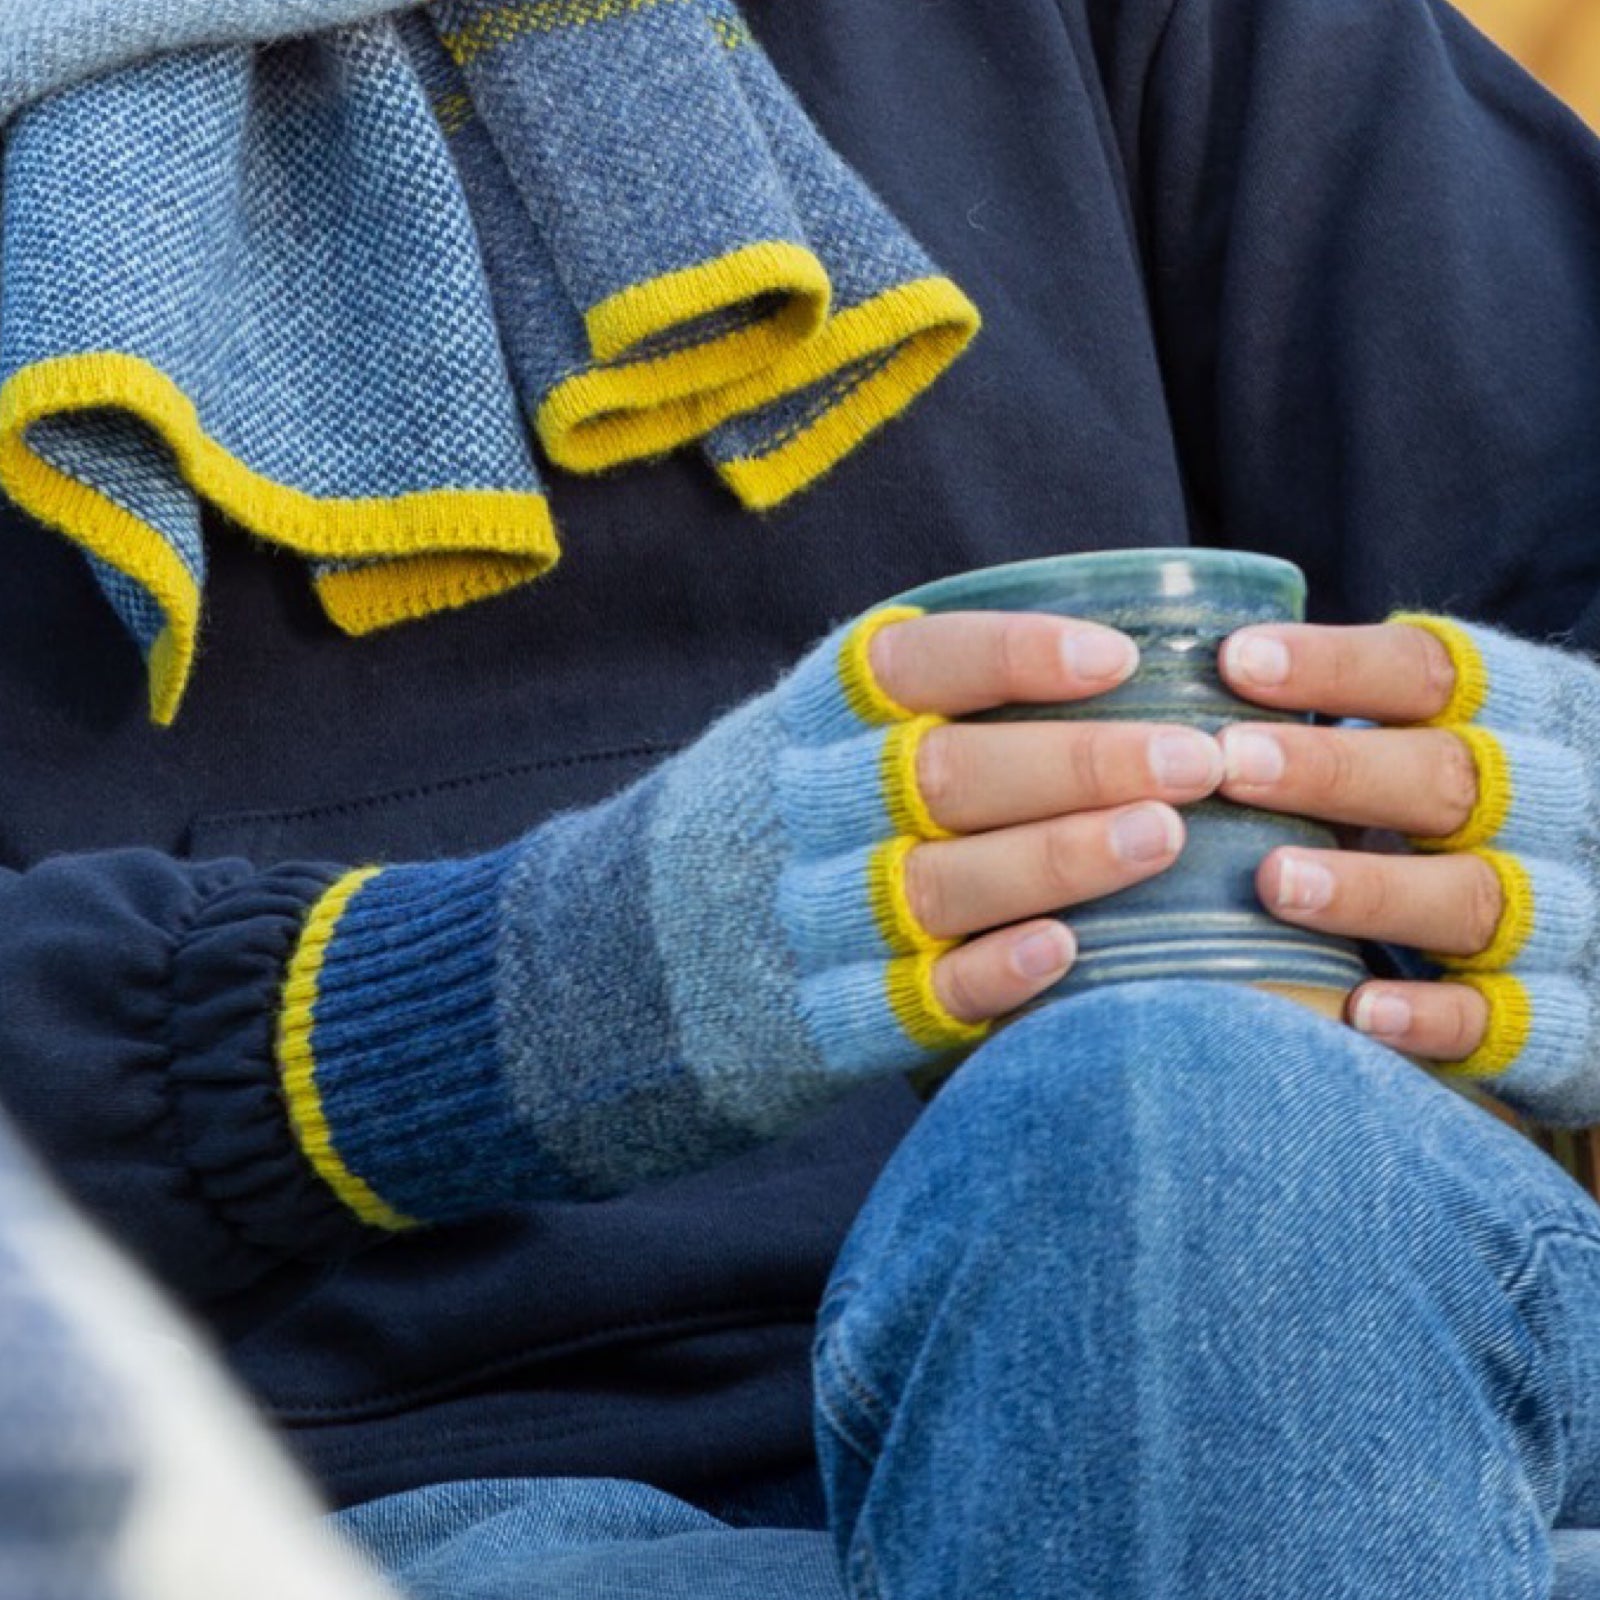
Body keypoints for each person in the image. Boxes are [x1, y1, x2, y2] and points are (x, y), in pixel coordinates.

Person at [2, 0, 1600, 1594]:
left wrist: (1565, 831)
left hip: (1385, 1367)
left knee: (1174, 1125)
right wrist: (490, 1004)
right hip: (393, 1493)